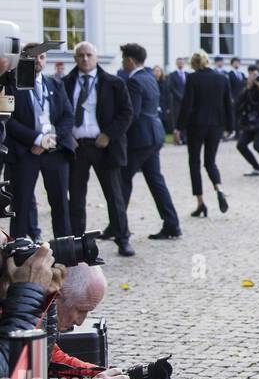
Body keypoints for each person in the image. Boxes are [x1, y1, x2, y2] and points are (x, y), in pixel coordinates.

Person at [64, 42, 135, 257]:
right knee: (76, 197)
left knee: (114, 196)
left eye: (89, 55)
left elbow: (126, 113)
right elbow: (60, 113)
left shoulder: (113, 83)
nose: (85, 59)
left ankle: (123, 238)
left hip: (104, 146)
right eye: (80, 55)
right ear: (75, 58)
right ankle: (77, 244)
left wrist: (109, 134)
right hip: (77, 147)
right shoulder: (66, 83)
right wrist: (67, 137)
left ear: (96, 57)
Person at [7, 43, 74, 241]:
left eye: (42, 57)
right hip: (26, 152)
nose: (38, 61)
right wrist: (36, 139)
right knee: (21, 205)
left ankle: (65, 252)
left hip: (55, 150)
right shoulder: (11, 84)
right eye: (33, 57)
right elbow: (7, 120)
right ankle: (17, 253)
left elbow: (68, 116)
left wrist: (50, 139)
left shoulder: (54, 83)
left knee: (61, 204)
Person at [119, 43, 182, 241]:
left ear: (129, 60)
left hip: (141, 138)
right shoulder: (149, 77)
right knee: (156, 181)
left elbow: (133, 114)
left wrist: (116, 134)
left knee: (123, 181)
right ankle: (172, 223)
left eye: (123, 59)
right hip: (155, 135)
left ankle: (119, 226)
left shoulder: (134, 81)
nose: (122, 63)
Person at [177, 49, 234, 217]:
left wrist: (179, 127)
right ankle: (219, 187)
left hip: (197, 125)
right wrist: (230, 126)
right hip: (216, 125)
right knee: (210, 162)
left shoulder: (193, 78)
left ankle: (201, 202)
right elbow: (228, 104)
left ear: (194, 64)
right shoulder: (222, 79)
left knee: (194, 162)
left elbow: (187, 104)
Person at [167, 57, 187, 144]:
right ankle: (178, 139)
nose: (180, 64)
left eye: (182, 62)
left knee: (186, 119)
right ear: (176, 64)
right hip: (176, 103)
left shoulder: (187, 74)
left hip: (186, 102)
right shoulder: (172, 75)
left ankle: (186, 138)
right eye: (179, 62)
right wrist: (180, 97)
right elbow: (171, 88)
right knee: (178, 120)